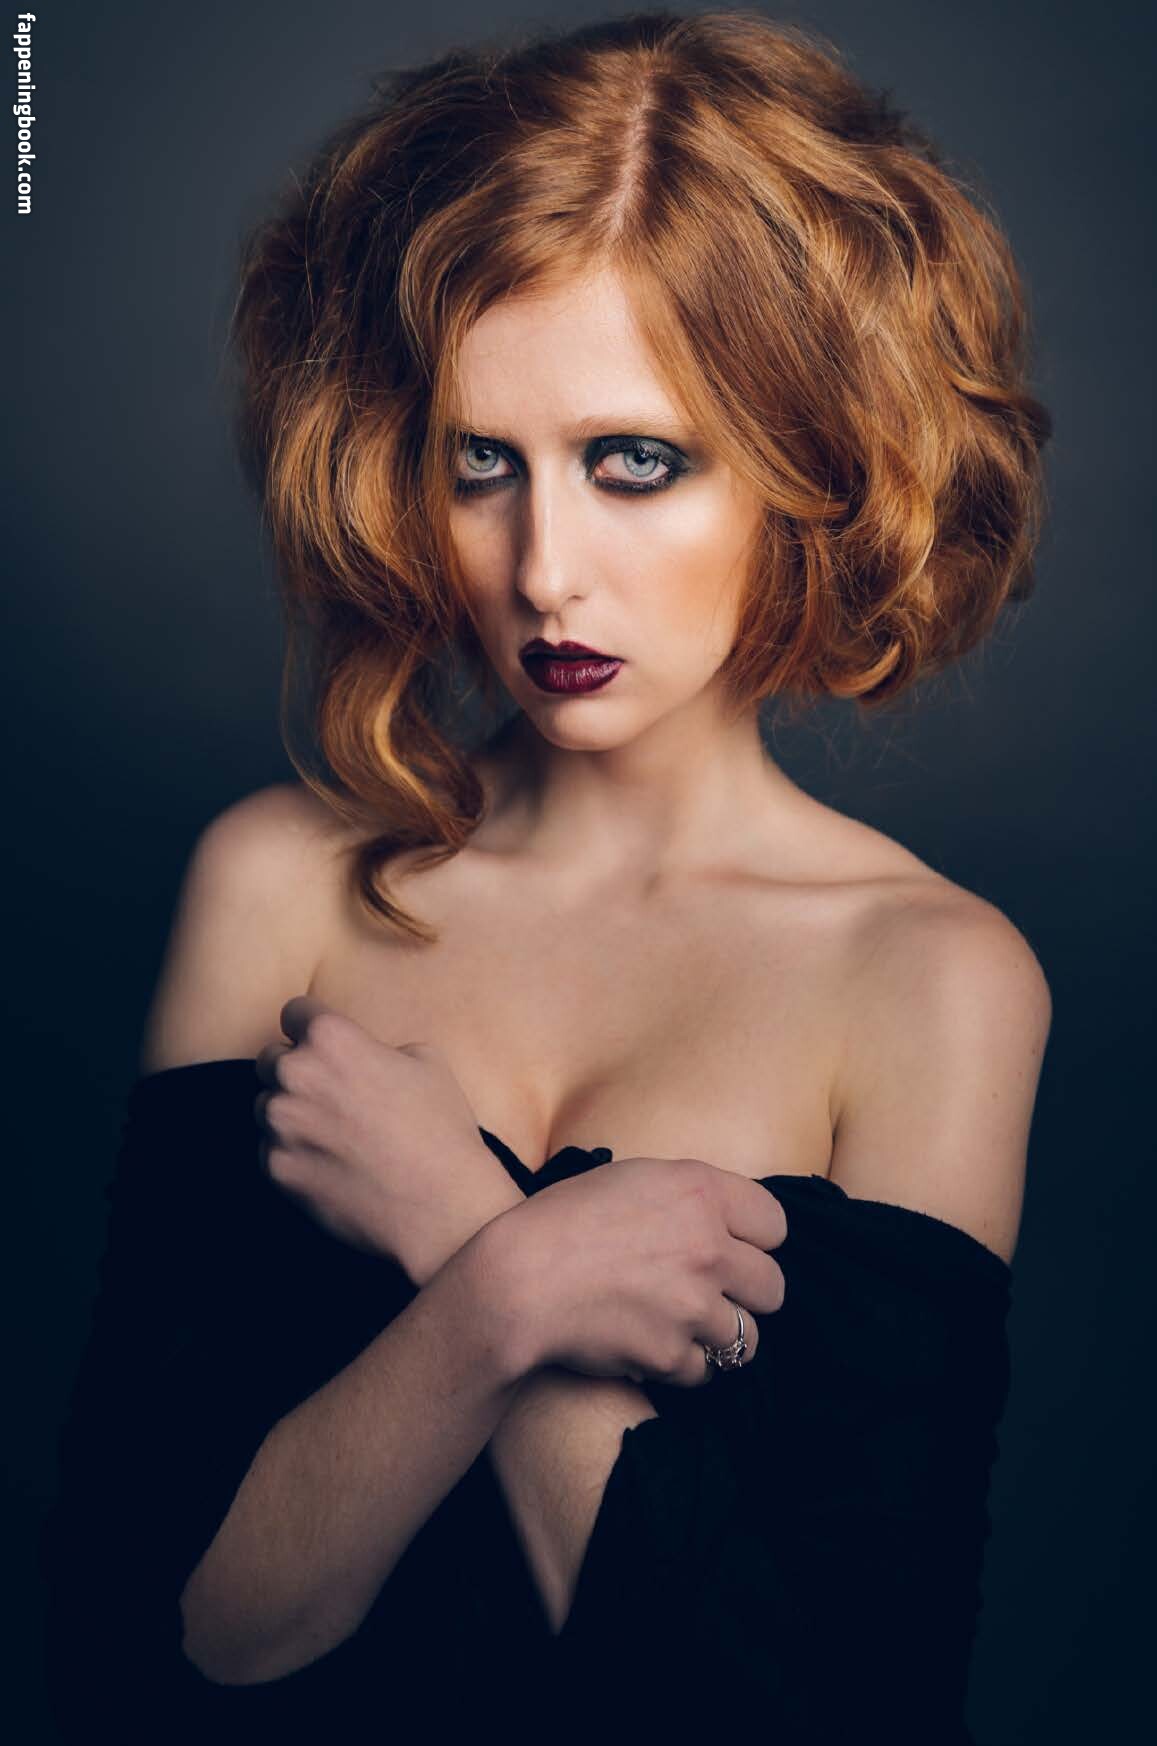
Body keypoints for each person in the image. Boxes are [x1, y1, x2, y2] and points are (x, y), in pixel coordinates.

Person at [43, 9, 1054, 1742]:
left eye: (633, 462)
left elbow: (803, 1713)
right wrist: (509, 1298)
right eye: (481, 464)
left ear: (807, 466)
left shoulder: (935, 982)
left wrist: (461, 1221)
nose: (543, 570)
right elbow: (165, 1636)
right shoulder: (277, 888)